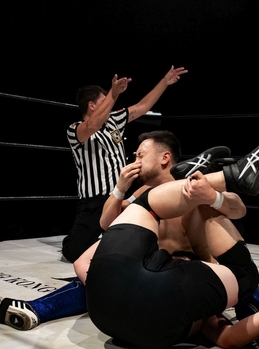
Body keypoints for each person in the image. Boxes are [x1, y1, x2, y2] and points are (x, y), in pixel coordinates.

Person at [0, 136, 259, 349]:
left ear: (164, 158)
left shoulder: (190, 193)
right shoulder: (144, 195)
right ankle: (36, 309)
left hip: (184, 276)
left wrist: (212, 196)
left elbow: (238, 209)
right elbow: (106, 223)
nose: (135, 160)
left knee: (244, 287)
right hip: (159, 278)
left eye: (139, 154)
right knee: (238, 281)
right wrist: (119, 188)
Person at [61, 66, 188, 263]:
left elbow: (142, 106)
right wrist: (114, 93)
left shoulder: (114, 121)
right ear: (92, 105)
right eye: (104, 100)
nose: (111, 103)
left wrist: (165, 81)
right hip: (94, 201)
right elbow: (92, 125)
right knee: (74, 252)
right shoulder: (75, 129)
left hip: (122, 194)